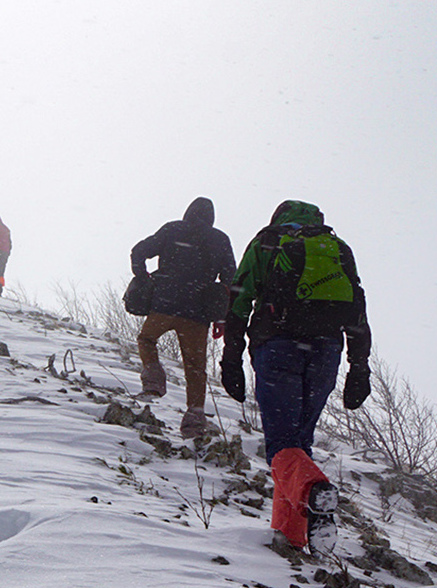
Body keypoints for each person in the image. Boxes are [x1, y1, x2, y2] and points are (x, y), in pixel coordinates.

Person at [220, 199, 372, 555]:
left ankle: (315, 491)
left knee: (281, 445)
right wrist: (359, 365)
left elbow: (240, 298)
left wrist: (232, 357)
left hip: (279, 345)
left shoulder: (267, 242)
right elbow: (358, 308)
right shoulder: (337, 248)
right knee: (299, 443)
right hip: (326, 351)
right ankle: (292, 536)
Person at [130, 196, 236, 438]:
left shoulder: (173, 229)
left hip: (164, 305)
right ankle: (194, 419)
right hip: (198, 314)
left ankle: (154, 382)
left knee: (146, 339)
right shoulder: (220, 239)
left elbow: (139, 251)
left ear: (188, 211)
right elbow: (230, 279)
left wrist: (142, 277)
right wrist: (221, 317)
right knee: (195, 367)